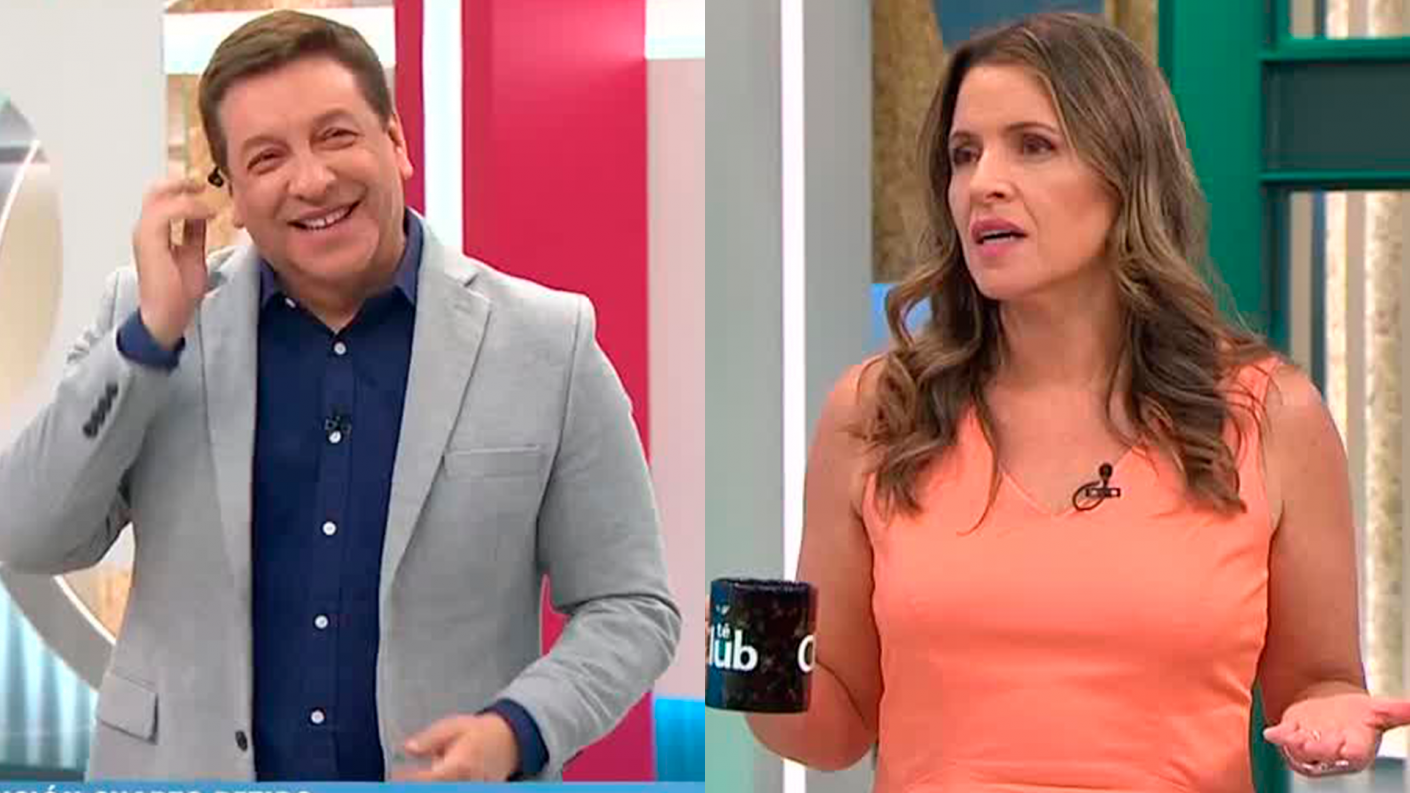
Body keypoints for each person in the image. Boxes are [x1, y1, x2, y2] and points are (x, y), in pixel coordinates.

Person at [0, 10, 679, 783]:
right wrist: (149, 339)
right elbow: (26, 532)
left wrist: (518, 730)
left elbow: (632, 605)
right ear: (232, 195)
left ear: (396, 143)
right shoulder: (149, 320)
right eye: (267, 157)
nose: (312, 179)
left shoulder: (547, 342)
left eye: (336, 136)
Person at [746, 11, 1410, 791]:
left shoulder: (1269, 414)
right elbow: (834, 730)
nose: (983, 183)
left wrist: (1331, 716)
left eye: (1033, 145)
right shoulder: (877, 411)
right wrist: (752, 657)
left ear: (1126, 175)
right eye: (964, 155)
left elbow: (1319, 680)